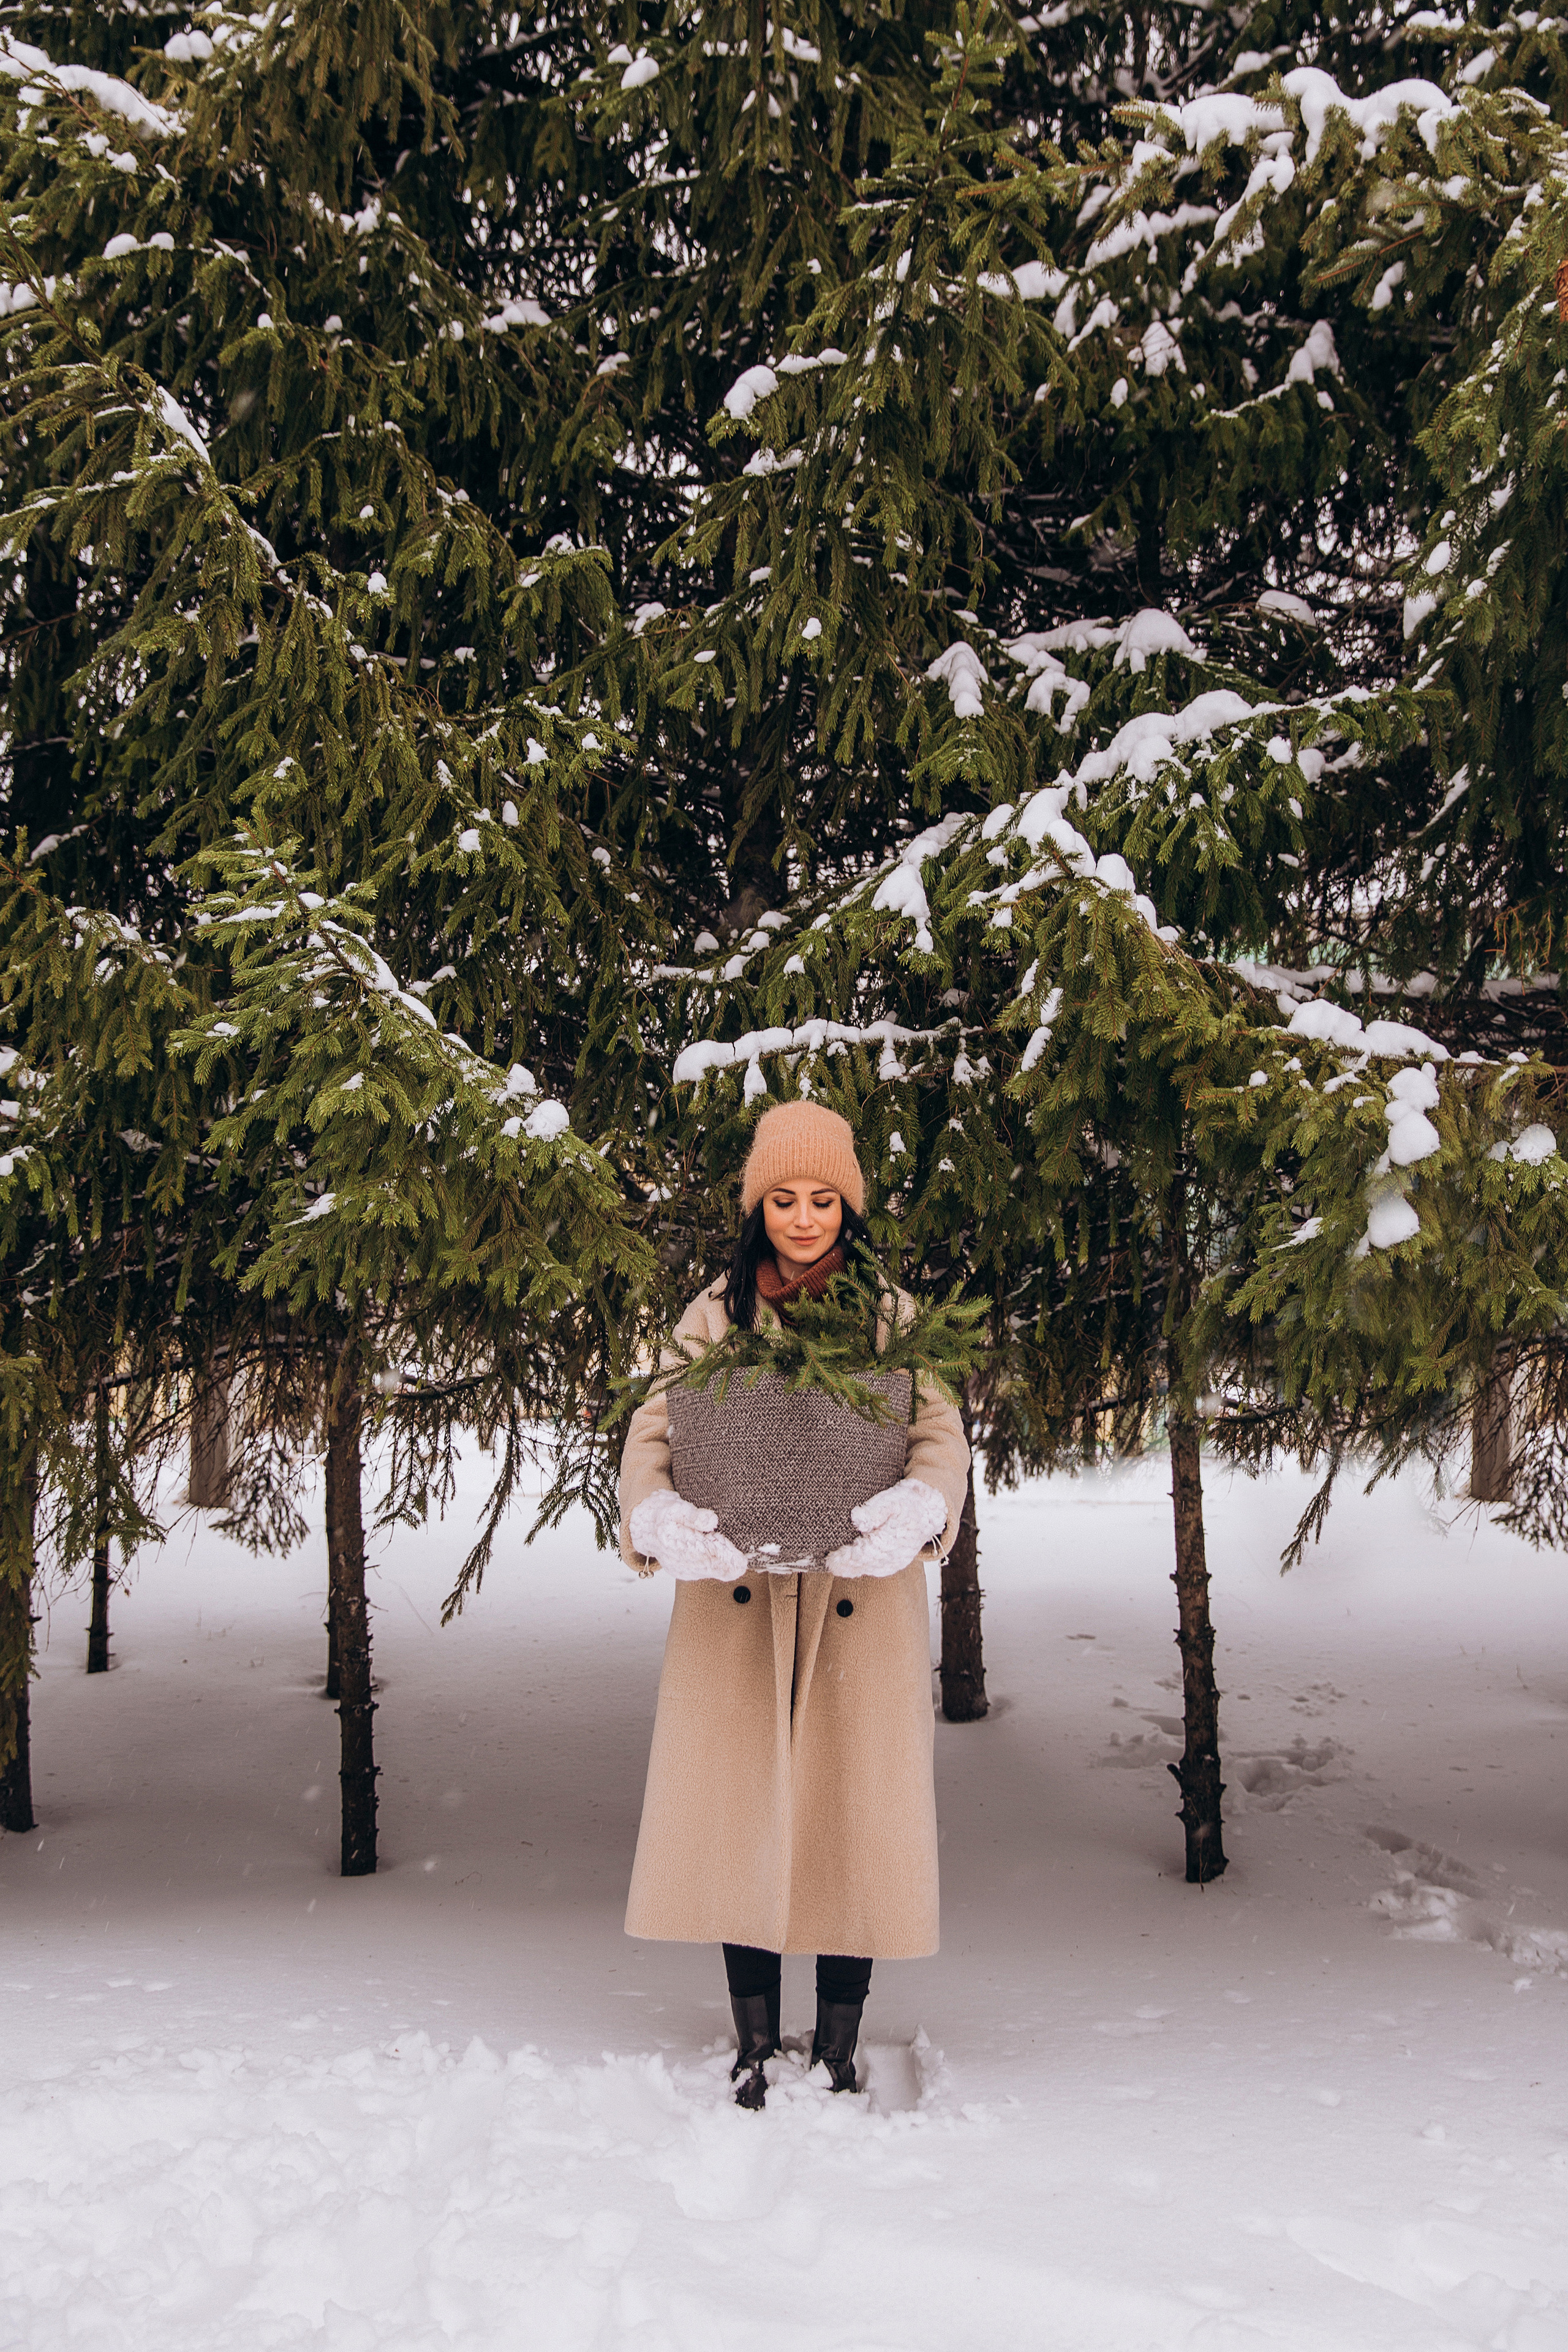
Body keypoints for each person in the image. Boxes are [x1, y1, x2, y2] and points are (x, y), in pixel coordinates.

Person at [619, 1099, 970, 2109]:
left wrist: (923, 1505)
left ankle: (842, 2046)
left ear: (849, 1207)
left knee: (856, 1812)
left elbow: (940, 1434)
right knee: (744, 1813)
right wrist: (653, 1514)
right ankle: (754, 2040)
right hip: (737, 1605)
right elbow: (654, 1431)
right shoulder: (711, 1316)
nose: (804, 1218)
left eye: (823, 1200)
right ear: (756, 1206)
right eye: (784, 1199)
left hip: (862, 1599)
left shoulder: (894, 1316)